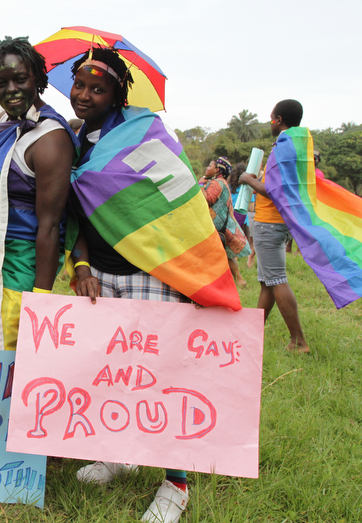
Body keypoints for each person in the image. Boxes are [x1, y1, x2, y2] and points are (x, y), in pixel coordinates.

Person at [66, 46, 233, 523]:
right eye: (80, 83)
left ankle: (175, 485)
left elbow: (180, 207)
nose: (85, 94)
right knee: (112, 372)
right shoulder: (75, 140)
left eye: (98, 88)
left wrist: (186, 277)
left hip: (151, 275)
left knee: (162, 378)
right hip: (99, 276)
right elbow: (74, 217)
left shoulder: (148, 132)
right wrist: (79, 267)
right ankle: (118, 453)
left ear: (118, 95)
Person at [0, 36, 77, 351]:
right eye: (1, 82)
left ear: (37, 79)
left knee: (12, 351)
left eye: (20, 79)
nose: (11, 89)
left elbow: (51, 224)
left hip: (22, 267)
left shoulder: (49, 137)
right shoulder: (3, 124)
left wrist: (39, 298)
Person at [239, 99, 309, 353]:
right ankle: (251, 333)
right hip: (279, 222)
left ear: (278, 119)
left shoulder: (282, 146)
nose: (270, 122)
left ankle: (298, 341)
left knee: (276, 279)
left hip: (270, 223)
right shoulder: (296, 144)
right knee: (267, 281)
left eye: (271, 118)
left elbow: (273, 191)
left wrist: (248, 179)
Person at [199, 157, 251, 287]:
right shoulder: (220, 182)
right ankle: (238, 279)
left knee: (217, 254)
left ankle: (228, 280)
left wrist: (200, 185)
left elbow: (208, 199)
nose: (207, 168)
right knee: (226, 254)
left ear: (217, 169)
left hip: (216, 225)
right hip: (221, 225)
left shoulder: (217, 183)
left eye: (210, 166)